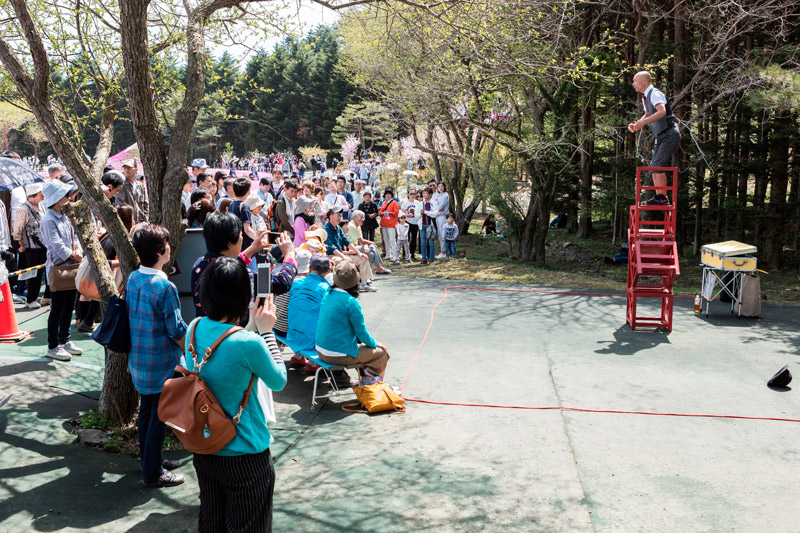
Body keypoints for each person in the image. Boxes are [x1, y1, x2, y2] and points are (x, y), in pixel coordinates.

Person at [188, 258, 287, 531]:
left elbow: (227, 350)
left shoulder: (193, 328)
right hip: (245, 453)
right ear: (245, 297)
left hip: (205, 446)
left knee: (211, 522)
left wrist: (254, 328)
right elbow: (278, 380)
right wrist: (266, 332)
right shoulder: (250, 342)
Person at [125, 223, 188, 488]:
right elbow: (176, 330)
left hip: (139, 361)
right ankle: (153, 472)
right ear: (161, 251)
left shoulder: (133, 278)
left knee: (148, 414)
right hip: (161, 364)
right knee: (159, 418)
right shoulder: (165, 288)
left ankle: (152, 460)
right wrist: (192, 352)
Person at [191, 212, 295, 320]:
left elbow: (227, 266)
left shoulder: (199, 264)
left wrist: (252, 249)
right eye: (241, 235)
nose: (242, 238)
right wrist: (290, 254)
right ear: (231, 242)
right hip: (231, 335)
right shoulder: (242, 276)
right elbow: (283, 282)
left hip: (205, 331)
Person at [315, 261, 390, 387]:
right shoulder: (351, 302)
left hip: (320, 350)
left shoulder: (327, 294)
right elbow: (361, 332)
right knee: (381, 353)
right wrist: (376, 344)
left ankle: (367, 383)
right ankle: (374, 390)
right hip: (337, 354)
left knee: (362, 348)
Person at [40, 180, 83, 361]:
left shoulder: (64, 216)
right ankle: (53, 345)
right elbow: (55, 245)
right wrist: (75, 255)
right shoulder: (48, 219)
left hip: (70, 266)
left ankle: (64, 340)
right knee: (57, 308)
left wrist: (78, 250)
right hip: (59, 268)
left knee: (69, 306)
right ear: (56, 198)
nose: (68, 197)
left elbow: (74, 238)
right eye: (65, 195)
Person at [628, 70, 681, 206]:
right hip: (662, 134)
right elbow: (647, 113)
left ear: (644, 81)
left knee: (657, 166)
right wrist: (637, 124)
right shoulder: (645, 97)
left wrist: (644, 122)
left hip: (669, 133)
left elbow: (662, 111)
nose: (633, 84)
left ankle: (662, 197)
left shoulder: (655, 94)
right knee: (653, 167)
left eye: (635, 81)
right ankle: (660, 197)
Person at [286, 254, 331, 370]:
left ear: (310, 268)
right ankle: (312, 363)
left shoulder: (296, 283)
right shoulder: (327, 290)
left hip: (292, 336)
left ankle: (297, 356)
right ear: (329, 271)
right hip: (312, 342)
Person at [12, 183, 48, 309]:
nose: (43, 196)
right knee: (35, 274)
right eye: (41, 193)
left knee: (45, 272)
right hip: (31, 247)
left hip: (44, 244)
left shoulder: (41, 207)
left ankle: (45, 297)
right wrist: (20, 244)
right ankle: (31, 299)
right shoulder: (23, 209)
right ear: (34, 195)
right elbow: (17, 230)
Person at [323, 206, 375, 292]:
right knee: (346, 262)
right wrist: (343, 256)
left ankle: (363, 283)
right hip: (331, 257)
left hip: (340, 255)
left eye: (340, 215)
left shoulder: (338, 228)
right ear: (331, 216)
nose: (340, 217)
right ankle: (350, 285)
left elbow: (347, 241)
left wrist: (358, 253)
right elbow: (331, 247)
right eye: (338, 215)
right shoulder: (325, 229)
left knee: (362, 258)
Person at [349, 210, 390, 275]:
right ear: (354, 218)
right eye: (360, 217)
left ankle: (365, 272)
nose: (362, 219)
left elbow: (362, 241)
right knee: (371, 246)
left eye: (363, 217)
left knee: (371, 254)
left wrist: (365, 246)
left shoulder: (358, 226)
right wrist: (372, 243)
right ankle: (378, 267)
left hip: (357, 247)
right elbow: (361, 241)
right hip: (351, 248)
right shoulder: (351, 226)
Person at [378, 188, 400, 264]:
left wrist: (390, 212)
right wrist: (383, 213)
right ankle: (388, 254)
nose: (388, 195)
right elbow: (380, 212)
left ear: (391, 195)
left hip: (391, 224)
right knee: (385, 240)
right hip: (384, 223)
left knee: (392, 240)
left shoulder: (394, 203)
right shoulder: (383, 203)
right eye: (386, 194)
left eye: (389, 194)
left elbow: (396, 213)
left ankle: (395, 256)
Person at [418, 187, 437, 265]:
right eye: (423, 193)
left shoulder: (434, 203)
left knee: (431, 243)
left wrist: (426, 212)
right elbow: (416, 215)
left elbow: (435, 214)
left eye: (426, 193)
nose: (424, 195)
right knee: (423, 243)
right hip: (422, 225)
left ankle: (431, 259)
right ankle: (424, 259)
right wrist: (420, 214)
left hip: (430, 225)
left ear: (430, 194)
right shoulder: (420, 204)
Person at [401, 189, 420, 261]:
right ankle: (404, 253)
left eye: (414, 194)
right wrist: (407, 215)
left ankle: (412, 254)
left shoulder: (417, 203)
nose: (412, 195)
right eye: (411, 194)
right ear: (408, 195)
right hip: (407, 222)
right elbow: (402, 214)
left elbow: (419, 212)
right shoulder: (405, 203)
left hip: (415, 223)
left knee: (414, 239)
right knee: (406, 238)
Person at [432, 182, 450, 259]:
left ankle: (444, 251)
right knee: (439, 234)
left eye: (442, 186)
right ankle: (443, 251)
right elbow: (433, 204)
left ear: (444, 187)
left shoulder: (445, 195)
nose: (440, 188)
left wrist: (436, 210)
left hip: (443, 216)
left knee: (443, 233)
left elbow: (441, 205)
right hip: (437, 216)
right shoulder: (437, 195)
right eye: (439, 186)